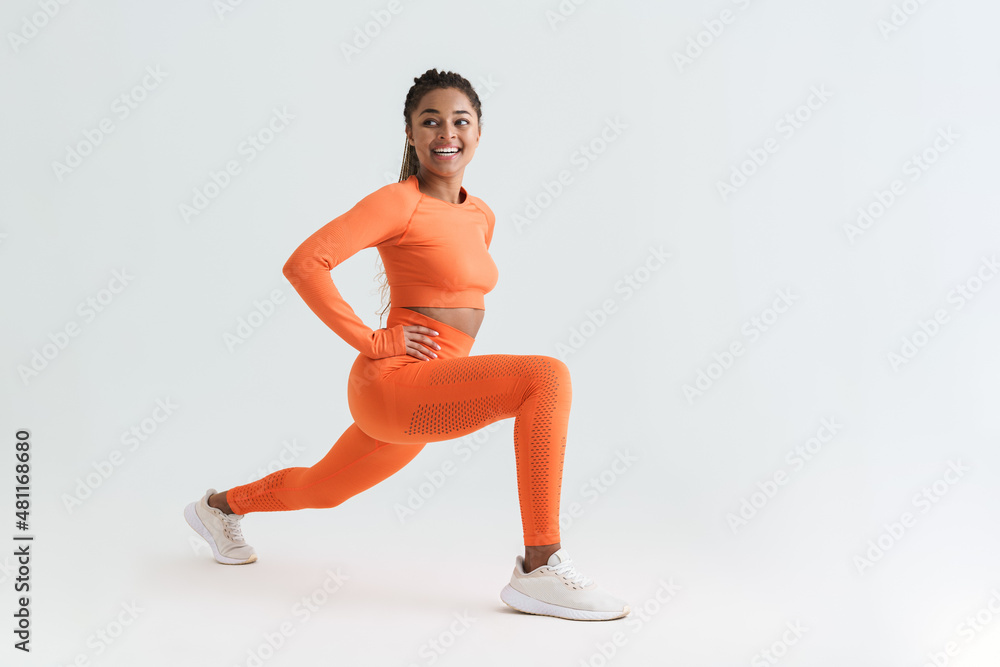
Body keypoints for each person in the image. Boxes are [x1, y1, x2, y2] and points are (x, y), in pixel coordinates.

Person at [184, 68, 629, 621]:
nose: (447, 132)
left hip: (432, 387)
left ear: (478, 132)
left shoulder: (480, 214)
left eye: (460, 120)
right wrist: (372, 339)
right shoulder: (399, 201)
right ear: (411, 134)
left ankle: (218, 509)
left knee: (325, 489)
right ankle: (540, 567)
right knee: (546, 377)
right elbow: (306, 263)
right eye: (431, 120)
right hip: (396, 383)